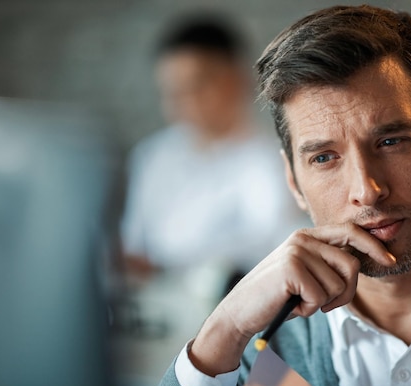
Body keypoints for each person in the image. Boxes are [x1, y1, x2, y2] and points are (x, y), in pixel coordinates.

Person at [131, 5, 411, 386]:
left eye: (391, 142)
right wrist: (225, 328)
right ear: (293, 183)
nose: (367, 191)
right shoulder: (265, 340)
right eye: (325, 158)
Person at [121, 13, 306, 283]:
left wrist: (168, 267)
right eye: (173, 92)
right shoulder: (152, 155)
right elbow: (133, 242)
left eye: (197, 86)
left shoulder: (271, 158)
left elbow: (271, 246)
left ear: (238, 80)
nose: (185, 102)